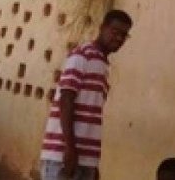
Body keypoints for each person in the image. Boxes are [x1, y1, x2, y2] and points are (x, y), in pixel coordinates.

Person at [40, 9, 133, 180]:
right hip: (63, 157)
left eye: (124, 35)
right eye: (115, 32)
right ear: (102, 28)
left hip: (85, 159)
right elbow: (66, 100)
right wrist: (70, 149)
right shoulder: (82, 55)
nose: (119, 38)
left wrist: (92, 163)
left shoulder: (102, 64)